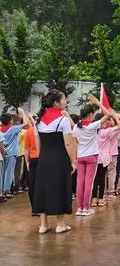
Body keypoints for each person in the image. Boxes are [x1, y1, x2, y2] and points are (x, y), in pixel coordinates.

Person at [33, 90, 77, 234]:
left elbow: (38, 145)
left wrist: (42, 159)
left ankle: (43, 225)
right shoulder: (62, 120)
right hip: (59, 159)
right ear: (56, 103)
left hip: (44, 159)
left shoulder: (38, 120)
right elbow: (68, 144)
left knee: (42, 189)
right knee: (60, 188)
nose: (66, 102)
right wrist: (73, 161)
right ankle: (60, 224)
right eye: (64, 99)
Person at [73, 96, 111, 216]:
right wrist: (98, 103)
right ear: (89, 114)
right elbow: (108, 114)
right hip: (92, 157)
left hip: (80, 156)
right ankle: (86, 208)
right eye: (92, 115)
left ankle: (79, 208)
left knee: (80, 182)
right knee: (89, 182)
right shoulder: (92, 126)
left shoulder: (76, 127)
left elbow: (75, 142)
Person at [1, 109, 29, 198]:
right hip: (11, 153)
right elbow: (26, 124)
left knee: (2, 174)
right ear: (10, 121)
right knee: (9, 173)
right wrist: (23, 113)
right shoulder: (13, 128)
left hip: (2, 154)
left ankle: (2, 191)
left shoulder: (1, 129)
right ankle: (6, 191)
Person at [24, 113, 39, 214]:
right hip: (42, 158)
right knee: (41, 183)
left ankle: (34, 208)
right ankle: (41, 207)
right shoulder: (42, 131)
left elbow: (26, 149)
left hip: (32, 159)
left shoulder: (28, 132)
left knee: (32, 183)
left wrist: (27, 162)